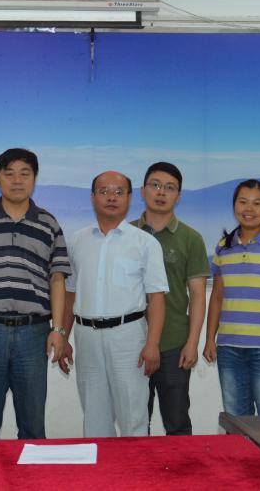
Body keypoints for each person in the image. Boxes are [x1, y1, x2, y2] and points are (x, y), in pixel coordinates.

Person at [0, 148, 70, 440]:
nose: (17, 180)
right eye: (9, 174)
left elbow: (57, 278)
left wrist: (58, 329)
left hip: (34, 334)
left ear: (34, 178)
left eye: (24, 174)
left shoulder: (49, 224)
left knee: (33, 428)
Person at [61, 171, 168, 438]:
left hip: (128, 337)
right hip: (86, 336)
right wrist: (62, 336)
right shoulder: (77, 241)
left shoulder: (145, 243)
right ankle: (100, 466)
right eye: (104, 191)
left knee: (133, 415)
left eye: (119, 192)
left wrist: (152, 344)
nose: (111, 197)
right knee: (94, 417)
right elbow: (70, 293)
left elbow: (156, 298)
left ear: (130, 198)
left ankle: (135, 465)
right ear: (92, 197)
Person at [203, 179, 260, 417]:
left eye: (257, 203)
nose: (249, 209)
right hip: (229, 348)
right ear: (234, 206)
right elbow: (217, 297)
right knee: (236, 420)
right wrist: (210, 339)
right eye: (243, 202)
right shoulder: (223, 247)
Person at [130, 162, 208, 435]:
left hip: (174, 344)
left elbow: (197, 295)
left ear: (178, 195)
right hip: (131, 341)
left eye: (170, 187)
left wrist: (192, 342)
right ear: (143, 191)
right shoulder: (125, 234)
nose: (161, 192)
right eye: (155, 185)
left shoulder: (191, 238)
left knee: (177, 423)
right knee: (135, 423)